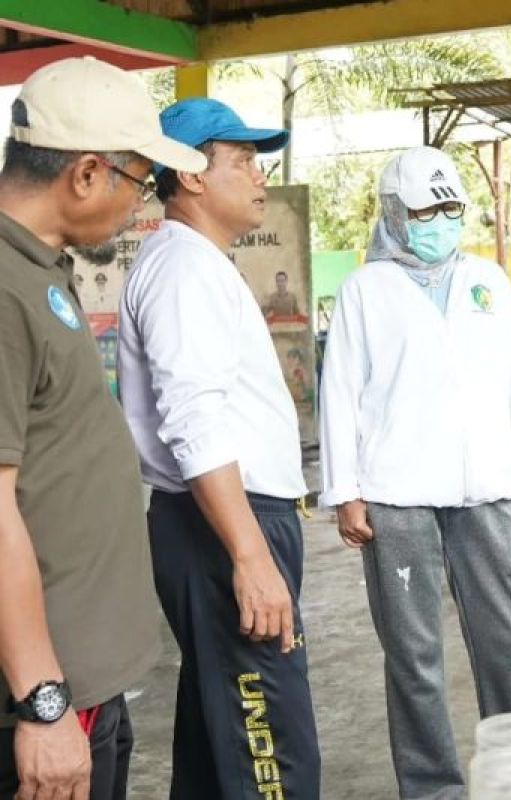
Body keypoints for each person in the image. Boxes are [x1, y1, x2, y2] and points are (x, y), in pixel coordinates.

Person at [0, 57, 206, 800]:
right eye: (139, 180)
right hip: (43, 701)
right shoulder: (3, 289)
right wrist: (43, 703)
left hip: (82, 680)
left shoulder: (37, 270)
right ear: (87, 173)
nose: (141, 204)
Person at [320, 146, 511, 800]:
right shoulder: (365, 290)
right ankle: (432, 788)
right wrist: (345, 493)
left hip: (487, 489)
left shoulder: (488, 281)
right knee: (414, 656)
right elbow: (339, 393)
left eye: (452, 210)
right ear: (395, 215)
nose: (441, 223)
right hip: (396, 495)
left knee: (508, 641)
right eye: (427, 210)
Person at [117, 98, 320, 799]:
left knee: (220, 734)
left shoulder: (198, 263)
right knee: (271, 750)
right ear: (192, 175)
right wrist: (249, 555)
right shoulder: (184, 271)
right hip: (222, 524)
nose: (259, 176)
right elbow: (193, 418)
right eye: (242, 161)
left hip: (228, 519)